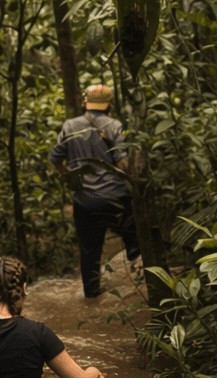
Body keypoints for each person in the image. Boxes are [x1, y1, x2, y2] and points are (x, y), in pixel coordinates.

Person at [49, 84, 140, 298]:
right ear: (109, 104)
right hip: (116, 198)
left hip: (85, 200)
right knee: (136, 243)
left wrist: (70, 176)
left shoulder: (70, 126)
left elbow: (55, 159)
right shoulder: (115, 125)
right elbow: (123, 165)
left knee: (90, 252)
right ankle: (140, 287)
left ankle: (91, 294)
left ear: (85, 102)